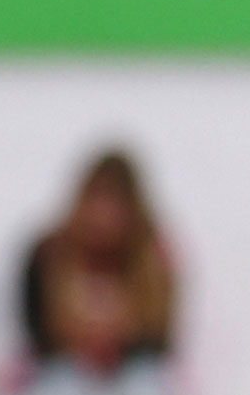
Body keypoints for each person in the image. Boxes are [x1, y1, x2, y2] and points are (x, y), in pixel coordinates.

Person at [21, 150, 173, 377]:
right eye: (98, 199)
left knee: (143, 384)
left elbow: (160, 339)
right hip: (63, 373)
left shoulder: (154, 259)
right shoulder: (48, 254)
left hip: (132, 376)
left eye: (115, 204)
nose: (104, 215)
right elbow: (37, 335)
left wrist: (119, 338)